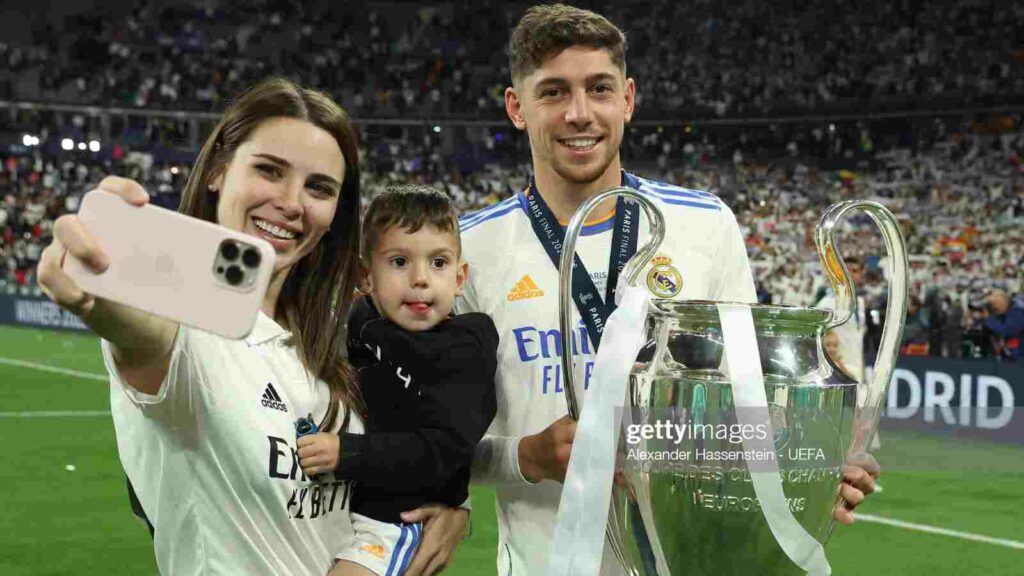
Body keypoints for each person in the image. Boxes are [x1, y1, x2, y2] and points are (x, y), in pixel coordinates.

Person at [452, 5, 881, 575]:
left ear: (627, 99)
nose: (579, 114)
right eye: (553, 92)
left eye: (598, 89)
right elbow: (442, 450)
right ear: (516, 107)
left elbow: (753, 406)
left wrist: (816, 463)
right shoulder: (469, 251)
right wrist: (527, 457)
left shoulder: (705, 225)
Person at [35, 78, 463, 576]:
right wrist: (101, 284)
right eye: (268, 170)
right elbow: (141, 333)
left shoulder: (338, 342)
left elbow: (384, 498)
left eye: (318, 188)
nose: (292, 202)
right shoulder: (184, 331)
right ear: (219, 169)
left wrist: (454, 504)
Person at [294, 186, 498, 576]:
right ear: (366, 277)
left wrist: (347, 453)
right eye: (400, 261)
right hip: (332, 508)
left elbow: (447, 450)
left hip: (397, 518)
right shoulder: (359, 321)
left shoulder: (465, 350)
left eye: (438, 263)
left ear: (460, 278)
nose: (420, 279)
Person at [980, 288, 1024, 363]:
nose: (993, 308)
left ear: (1003, 302)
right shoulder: (1003, 313)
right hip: (1010, 357)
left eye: (994, 305)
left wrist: (988, 319)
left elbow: (1006, 331)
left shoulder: (1018, 312)